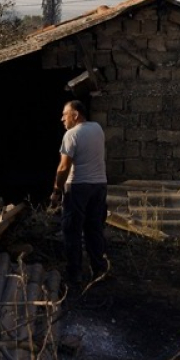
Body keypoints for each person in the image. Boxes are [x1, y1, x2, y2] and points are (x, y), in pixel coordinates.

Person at [51, 100, 109, 289]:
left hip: (78, 186)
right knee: (94, 228)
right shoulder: (97, 129)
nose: (62, 118)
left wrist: (57, 190)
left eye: (64, 114)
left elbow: (63, 167)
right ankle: (98, 269)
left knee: (72, 230)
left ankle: (74, 273)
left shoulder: (71, 135)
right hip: (99, 185)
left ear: (75, 115)